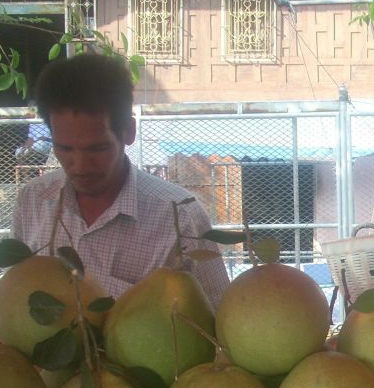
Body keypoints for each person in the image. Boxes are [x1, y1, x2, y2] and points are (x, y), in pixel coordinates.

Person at [12, 53, 229, 308]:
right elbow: (17, 300)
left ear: (128, 131)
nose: (80, 166)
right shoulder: (33, 201)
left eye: (97, 149)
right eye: (66, 149)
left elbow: (218, 318)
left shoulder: (181, 216)